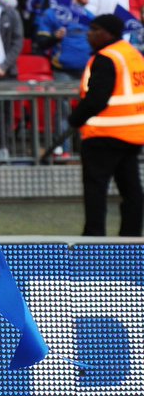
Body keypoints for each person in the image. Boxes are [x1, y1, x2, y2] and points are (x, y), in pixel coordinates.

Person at [68, 14, 144, 236]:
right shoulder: (132, 54)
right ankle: (131, 239)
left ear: (107, 33)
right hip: (132, 134)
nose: (89, 34)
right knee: (131, 191)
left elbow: (97, 98)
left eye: (94, 29)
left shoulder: (106, 57)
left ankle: (93, 240)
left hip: (104, 135)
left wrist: (75, 119)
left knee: (96, 191)